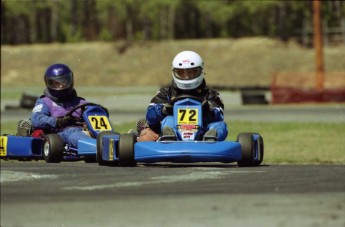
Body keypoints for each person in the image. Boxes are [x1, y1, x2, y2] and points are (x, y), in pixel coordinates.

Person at [142, 50, 228, 141]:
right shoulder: (166, 93)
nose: (186, 76)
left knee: (221, 126)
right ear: (175, 72)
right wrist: (163, 110)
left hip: (202, 134)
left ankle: (210, 139)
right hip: (174, 134)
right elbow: (150, 116)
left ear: (200, 71)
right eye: (182, 72)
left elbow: (219, 115)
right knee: (169, 119)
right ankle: (170, 138)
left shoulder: (211, 94)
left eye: (191, 72)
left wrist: (209, 109)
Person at [31, 63, 90, 148]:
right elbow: (36, 119)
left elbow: (93, 116)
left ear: (70, 80)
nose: (61, 85)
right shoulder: (45, 102)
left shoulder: (81, 102)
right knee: (71, 132)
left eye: (64, 81)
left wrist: (99, 112)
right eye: (57, 83)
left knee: (102, 133)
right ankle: (96, 147)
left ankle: (107, 144)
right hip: (58, 135)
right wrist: (59, 121)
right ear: (49, 83)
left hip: (83, 132)